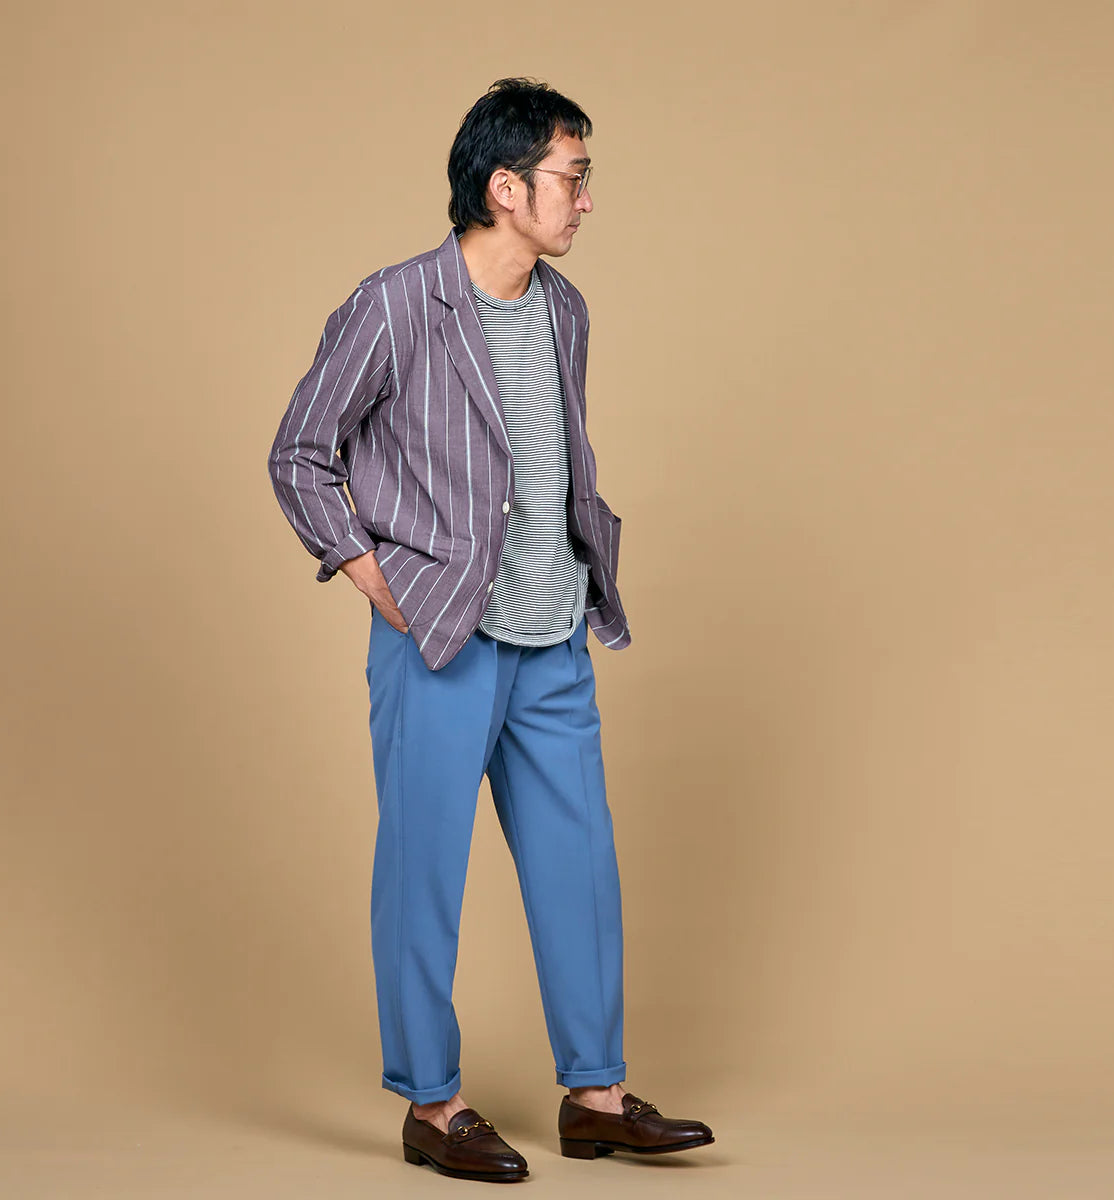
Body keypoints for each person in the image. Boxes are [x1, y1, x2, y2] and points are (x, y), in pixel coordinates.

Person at [267, 77, 713, 1183]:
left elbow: (544, 460)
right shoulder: (393, 304)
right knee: (424, 870)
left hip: (553, 627)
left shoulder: (565, 309)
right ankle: (433, 1106)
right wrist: (376, 579)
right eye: (573, 176)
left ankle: (596, 1098)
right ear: (505, 187)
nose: (586, 199)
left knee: (580, 865)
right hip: (439, 640)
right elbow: (301, 453)